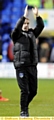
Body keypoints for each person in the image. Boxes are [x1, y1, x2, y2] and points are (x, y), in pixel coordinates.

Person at [11, 5, 44, 117]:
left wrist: (37, 15)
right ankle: (23, 111)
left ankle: (23, 106)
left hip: (32, 66)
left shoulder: (32, 34)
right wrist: (24, 16)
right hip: (21, 66)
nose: (26, 25)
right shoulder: (16, 35)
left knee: (33, 91)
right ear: (21, 24)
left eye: (27, 23)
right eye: (24, 23)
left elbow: (41, 26)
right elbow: (17, 27)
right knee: (24, 90)